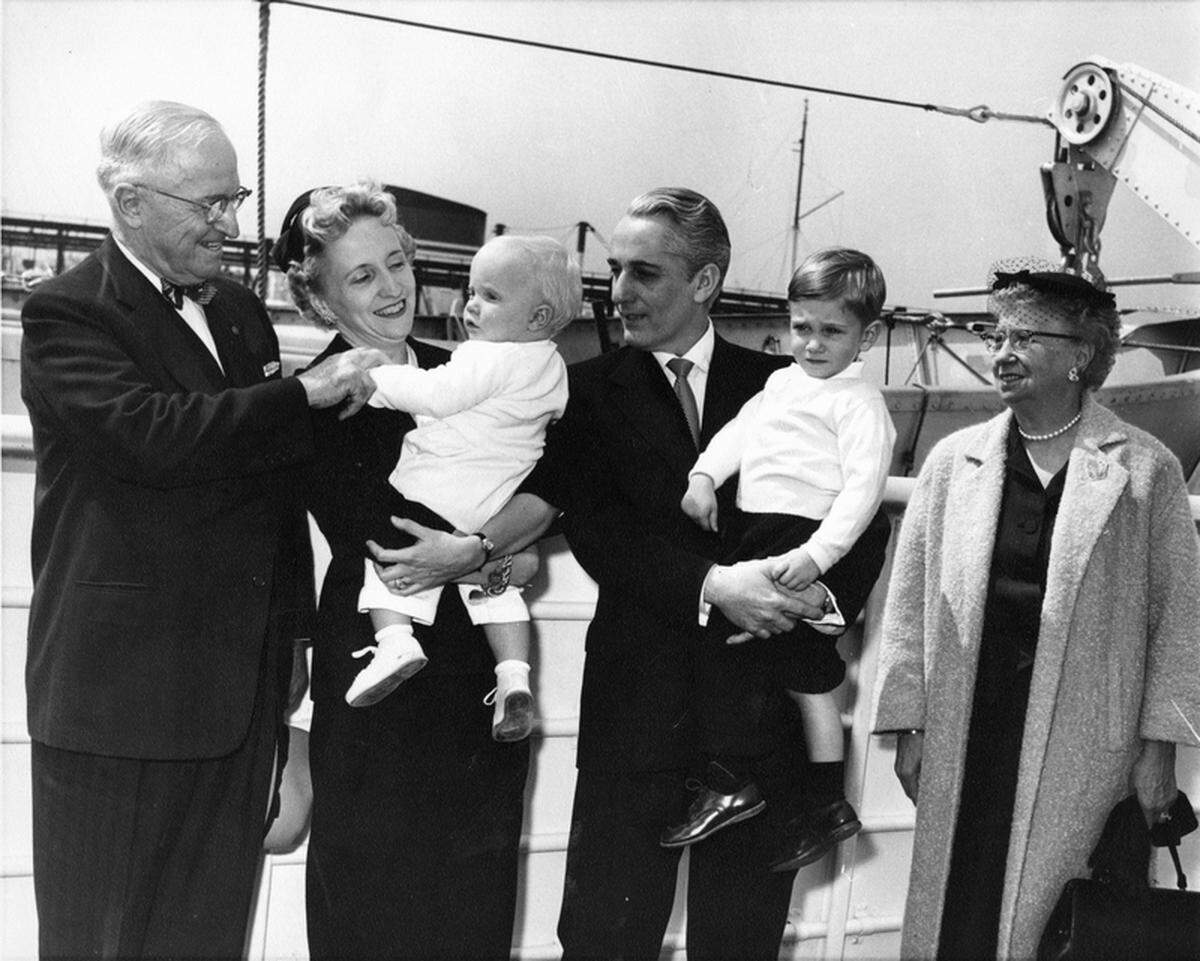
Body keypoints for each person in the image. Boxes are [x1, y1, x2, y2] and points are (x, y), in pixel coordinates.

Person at [370, 187, 892, 960]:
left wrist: (820, 600)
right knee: (602, 939)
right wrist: (715, 587)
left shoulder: (786, 380)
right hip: (637, 717)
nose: (619, 293)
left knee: (740, 940)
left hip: (757, 719)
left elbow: (864, 511)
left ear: (706, 282)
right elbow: (598, 531)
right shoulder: (582, 392)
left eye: (644, 273)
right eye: (614, 270)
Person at [19, 101, 382, 959]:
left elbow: (273, 488)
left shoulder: (238, 313)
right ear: (131, 201)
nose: (231, 223)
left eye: (235, 198)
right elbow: (155, 435)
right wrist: (305, 394)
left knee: (208, 934)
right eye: (208, 205)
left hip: (237, 692)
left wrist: (291, 631)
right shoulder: (67, 314)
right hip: (117, 701)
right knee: (99, 938)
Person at [871, 258, 1200, 960]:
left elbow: (1180, 621)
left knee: (1056, 923)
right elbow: (909, 599)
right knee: (957, 911)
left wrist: (1158, 750)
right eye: (996, 335)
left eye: (1024, 337)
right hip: (970, 723)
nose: (1002, 352)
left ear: (1082, 356)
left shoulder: (1146, 470)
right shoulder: (954, 462)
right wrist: (907, 720)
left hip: (1088, 741)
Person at [271, 181, 536, 960]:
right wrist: (492, 539)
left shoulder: (472, 373)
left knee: (474, 904)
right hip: (375, 667)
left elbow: (552, 502)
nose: (392, 288)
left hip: (478, 671)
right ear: (319, 298)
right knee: (369, 904)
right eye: (361, 276)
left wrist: (481, 547)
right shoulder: (310, 403)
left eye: (397, 262)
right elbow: (389, 531)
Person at [662, 248, 896, 871]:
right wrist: (705, 476)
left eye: (831, 331)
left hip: (800, 537)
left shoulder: (859, 403)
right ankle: (814, 802)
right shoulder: (780, 382)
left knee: (764, 665)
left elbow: (863, 493)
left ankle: (754, 783)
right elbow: (739, 432)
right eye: (801, 327)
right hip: (752, 529)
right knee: (790, 669)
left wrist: (818, 557)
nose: (812, 344)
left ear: (867, 336)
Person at [347, 232, 577, 742]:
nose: (471, 306)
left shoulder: (486, 356)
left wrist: (374, 383)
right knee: (496, 593)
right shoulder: (553, 367)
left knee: (386, 564)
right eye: (472, 291)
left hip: (438, 492)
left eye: (490, 297)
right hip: (494, 504)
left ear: (537, 318)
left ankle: (395, 642)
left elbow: (438, 394)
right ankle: (515, 678)